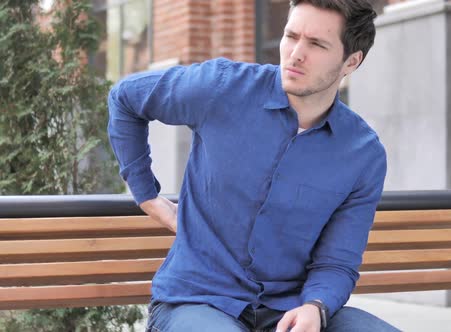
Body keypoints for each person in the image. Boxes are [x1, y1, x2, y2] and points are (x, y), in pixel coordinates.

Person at [108, 0, 398, 331]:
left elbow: (337, 262)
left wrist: (316, 307)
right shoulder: (222, 87)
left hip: (290, 307)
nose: (295, 53)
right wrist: (147, 196)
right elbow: (126, 99)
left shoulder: (363, 154)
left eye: (316, 44)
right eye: (291, 36)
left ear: (351, 61)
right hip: (197, 301)